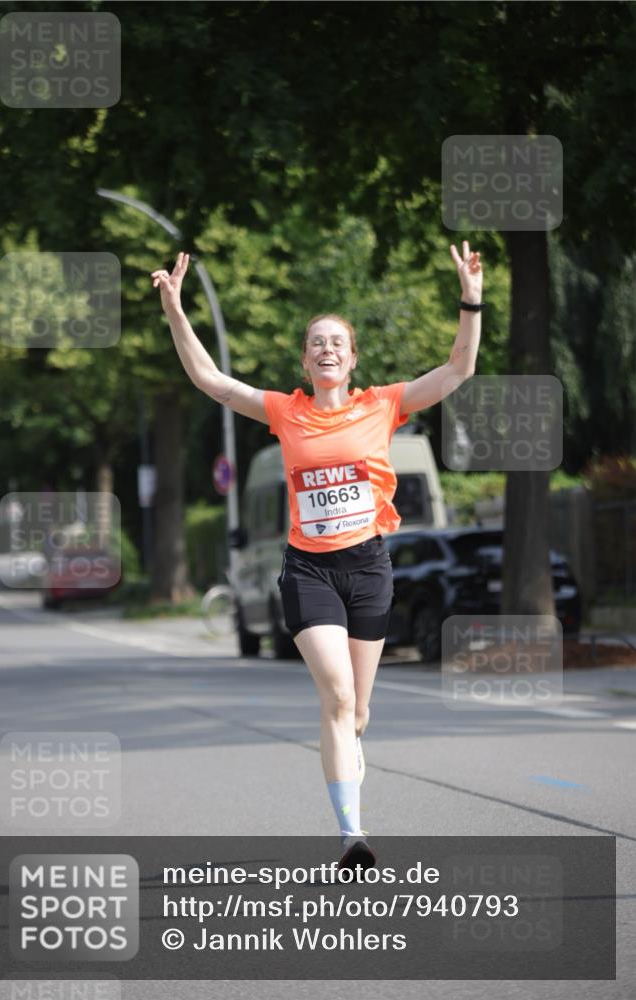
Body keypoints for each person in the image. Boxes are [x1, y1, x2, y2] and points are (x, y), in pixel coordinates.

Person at [152, 242, 483, 870]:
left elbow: (458, 369)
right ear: (304, 362)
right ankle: (351, 836)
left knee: (357, 711)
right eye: (316, 343)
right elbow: (209, 380)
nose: (327, 348)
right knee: (334, 696)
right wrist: (175, 308)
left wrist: (470, 298)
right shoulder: (286, 412)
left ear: (352, 359)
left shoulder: (382, 405)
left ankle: (349, 771)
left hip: (369, 568)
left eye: (337, 342)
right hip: (309, 571)